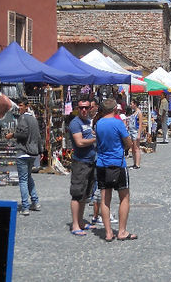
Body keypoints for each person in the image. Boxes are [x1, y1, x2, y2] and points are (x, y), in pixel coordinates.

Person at [95, 98, 136, 241]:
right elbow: (128, 143)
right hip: (118, 163)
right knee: (124, 197)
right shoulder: (118, 123)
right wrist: (124, 147)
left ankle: (108, 232)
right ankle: (122, 231)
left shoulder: (98, 124)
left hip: (102, 163)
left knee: (105, 199)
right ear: (115, 109)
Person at [5, 99, 44, 215]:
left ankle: (25, 206)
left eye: (21, 105)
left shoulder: (22, 118)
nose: (19, 108)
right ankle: (35, 202)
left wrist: (12, 135)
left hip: (23, 152)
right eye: (18, 105)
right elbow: (38, 136)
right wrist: (40, 151)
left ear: (27, 106)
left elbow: (23, 134)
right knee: (28, 177)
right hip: (32, 153)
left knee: (22, 180)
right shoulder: (34, 119)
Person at [69, 96, 97, 236]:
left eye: (87, 107)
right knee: (77, 194)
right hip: (80, 162)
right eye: (81, 108)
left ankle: (80, 221)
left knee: (85, 194)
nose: (84, 110)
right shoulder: (75, 123)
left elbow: (89, 134)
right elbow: (79, 142)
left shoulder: (86, 121)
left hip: (90, 161)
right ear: (77, 109)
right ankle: (75, 225)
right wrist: (95, 139)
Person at [127, 100, 143, 169]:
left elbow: (140, 124)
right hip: (131, 131)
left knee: (136, 148)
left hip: (135, 132)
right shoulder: (134, 112)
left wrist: (139, 134)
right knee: (133, 148)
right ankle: (134, 163)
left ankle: (137, 164)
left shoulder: (139, 112)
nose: (130, 105)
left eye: (131, 104)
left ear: (135, 104)